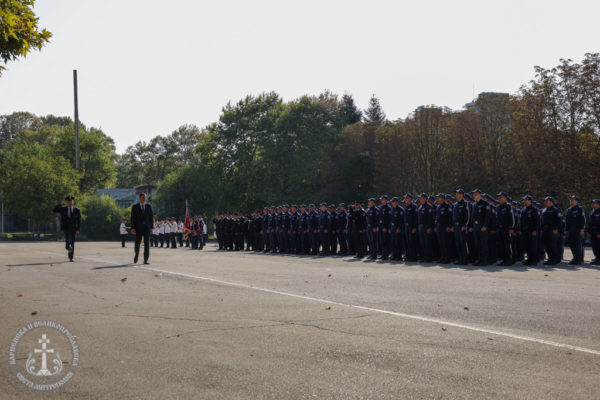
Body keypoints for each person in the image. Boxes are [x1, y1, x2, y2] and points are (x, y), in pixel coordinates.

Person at [53, 195, 81, 262]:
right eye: (68, 202)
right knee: (68, 239)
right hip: (66, 227)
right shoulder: (63, 209)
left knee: (72, 242)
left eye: (71, 201)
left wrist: (78, 229)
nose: (70, 203)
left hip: (73, 228)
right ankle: (68, 247)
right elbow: (54, 210)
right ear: (66, 202)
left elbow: (79, 220)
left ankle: (71, 257)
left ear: (73, 202)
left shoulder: (77, 210)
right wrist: (60, 204)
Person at [130, 192, 153, 264]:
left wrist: (151, 228)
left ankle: (146, 259)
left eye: (145, 197)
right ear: (139, 198)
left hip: (147, 228)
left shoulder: (148, 206)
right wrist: (132, 228)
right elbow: (132, 218)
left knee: (147, 244)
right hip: (138, 228)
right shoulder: (135, 207)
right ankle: (136, 255)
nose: (144, 199)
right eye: (143, 197)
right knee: (137, 243)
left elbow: (151, 218)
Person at [565, 195, 585, 265]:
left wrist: (582, 229)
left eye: (573, 200)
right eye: (570, 200)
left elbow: (583, 220)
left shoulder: (580, 209)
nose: (571, 202)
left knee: (578, 245)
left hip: (577, 230)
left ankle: (579, 259)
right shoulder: (569, 210)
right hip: (570, 230)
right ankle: (575, 258)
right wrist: (566, 230)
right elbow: (567, 221)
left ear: (577, 201)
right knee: (572, 245)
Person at [588, 199, 600, 265]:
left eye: (594, 203)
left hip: (598, 232)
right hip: (592, 232)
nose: (592, 204)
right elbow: (590, 223)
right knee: (594, 246)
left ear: (598, 204)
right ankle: (597, 257)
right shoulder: (592, 212)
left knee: (598, 246)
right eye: (592, 203)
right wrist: (589, 232)